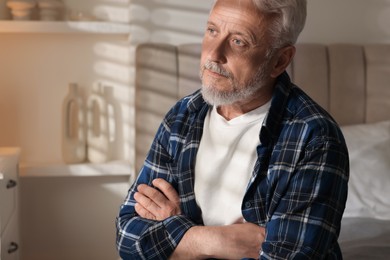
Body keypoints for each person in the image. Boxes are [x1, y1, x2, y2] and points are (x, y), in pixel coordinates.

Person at [116, 0, 349, 259]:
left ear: (279, 60)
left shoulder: (315, 137)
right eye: (212, 31)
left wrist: (173, 239)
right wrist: (209, 241)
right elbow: (128, 237)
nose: (213, 54)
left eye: (239, 41)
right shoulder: (182, 116)